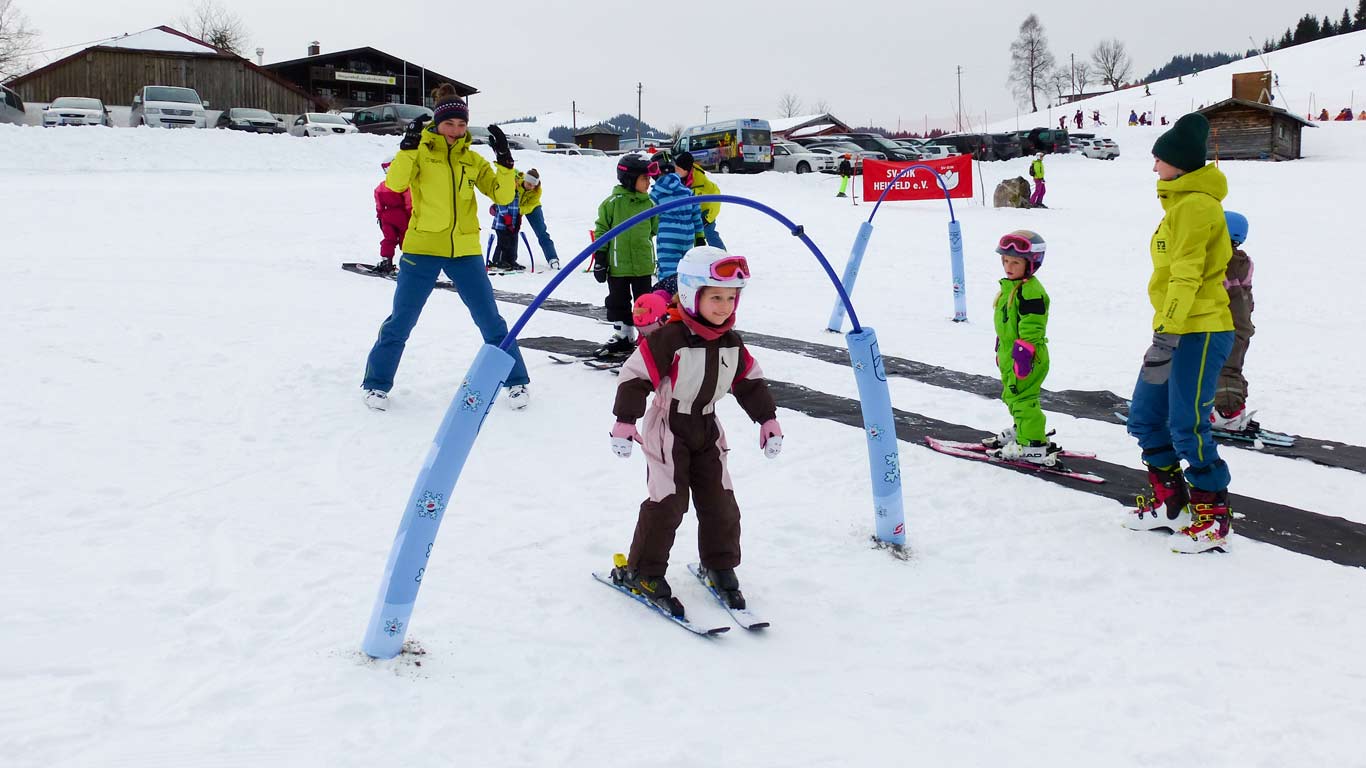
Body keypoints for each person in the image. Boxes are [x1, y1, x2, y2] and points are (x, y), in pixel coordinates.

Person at [606, 246, 781, 617]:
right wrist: (625, 421)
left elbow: (749, 382)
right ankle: (643, 570)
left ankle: (719, 563)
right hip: (668, 427)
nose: (723, 306)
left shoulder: (731, 342)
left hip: (707, 426)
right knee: (668, 501)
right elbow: (635, 378)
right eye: (715, 296)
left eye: (730, 298)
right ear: (690, 293)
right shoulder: (669, 339)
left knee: (721, 500)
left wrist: (767, 419)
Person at [361, 95, 532, 411]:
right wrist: (408, 149)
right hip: (422, 249)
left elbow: (503, 194)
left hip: (465, 250)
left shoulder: (472, 159)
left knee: (490, 320)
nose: (455, 130)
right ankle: (375, 385)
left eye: (461, 124)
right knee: (402, 320)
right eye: (449, 123)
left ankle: (516, 381)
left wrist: (506, 164)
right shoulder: (421, 154)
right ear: (438, 124)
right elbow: (395, 184)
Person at [1123, 113, 1235, 554]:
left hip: (1199, 329)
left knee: (1186, 424)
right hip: (1174, 328)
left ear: (1179, 163)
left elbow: (1186, 276)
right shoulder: (1180, 204)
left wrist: (1166, 335)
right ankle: (1173, 506)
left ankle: (1214, 516)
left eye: (1159, 159)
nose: (1154, 167)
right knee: (1145, 419)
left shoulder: (1196, 206)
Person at [981, 231, 1055, 465]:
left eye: (1015, 262)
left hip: (1027, 357)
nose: (1008, 266)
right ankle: (1022, 428)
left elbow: (1033, 326)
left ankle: (1033, 445)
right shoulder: (1012, 287)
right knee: (1013, 396)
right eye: (1005, 260)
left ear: (1031, 264)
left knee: (1023, 399)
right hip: (1011, 353)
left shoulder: (1030, 291)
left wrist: (1023, 356)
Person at [592, 155, 659, 358]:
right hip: (618, 265)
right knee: (617, 301)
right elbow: (602, 230)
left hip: (642, 265)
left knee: (644, 303)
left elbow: (652, 230)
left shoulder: (650, 204)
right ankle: (624, 336)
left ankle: (647, 339)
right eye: (644, 178)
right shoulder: (612, 203)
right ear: (629, 179)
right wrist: (601, 257)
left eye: (649, 179)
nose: (648, 183)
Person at [1211, 211, 1256, 433]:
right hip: (1241, 326)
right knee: (1231, 367)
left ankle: (1228, 414)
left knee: (1225, 368)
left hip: (1227, 326)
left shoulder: (1220, 261)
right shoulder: (1244, 261)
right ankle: (1227, 408)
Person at [648, 152, 706, 282]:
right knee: (685, 268)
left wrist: (648, 233)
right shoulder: (686, 191)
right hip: (688, 236)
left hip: (669, 237)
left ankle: (668, 293)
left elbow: (649, 216)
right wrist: (700, 236)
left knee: (668, 270)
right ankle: (685, 291)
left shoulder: (656, 193)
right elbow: (696, 214)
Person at [673, 152, 725, 249]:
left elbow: (716, 198)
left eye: (678, 169)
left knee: (709, 233)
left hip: (704, 214)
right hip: (689, 213)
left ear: (686, 170)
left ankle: (722, 256)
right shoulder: (677, 179)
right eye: (675, 168)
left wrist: (708, 218)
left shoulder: (702, 182)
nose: (675, 171)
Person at [373, 157, 412, 275]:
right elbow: (409, 203)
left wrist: (380, 216)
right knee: (407, 241)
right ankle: (410, 265)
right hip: (402, 217)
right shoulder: (405, 186)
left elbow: (379, 204)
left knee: (389, 240)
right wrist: (412, 217)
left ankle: (386, 262)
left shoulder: (380, 187)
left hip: (386, 217)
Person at [518, 169, 560, 269]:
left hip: (533, 208)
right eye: (529, 184)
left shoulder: (537, 190)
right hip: (516, 207)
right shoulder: (516, 183)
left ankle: (552, 258)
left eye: (534, 185)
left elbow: (530, 206)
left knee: (542, 232)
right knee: (509, 233)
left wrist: (517, 210)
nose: (532, 187)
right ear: (524, 180)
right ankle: (505, 259)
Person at [488, 177, 523, 271]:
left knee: (513, 242)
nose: (516, 184)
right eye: (513, 182)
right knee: (503, 242)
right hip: (502, 224)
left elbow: (518, 207)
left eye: (517, 182)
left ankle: (511, 260)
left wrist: (518, 219)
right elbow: (501, 206)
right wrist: (507, 220)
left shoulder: (517, 194)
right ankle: (497, 260)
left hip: (513, 224)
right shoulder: (504, 193)